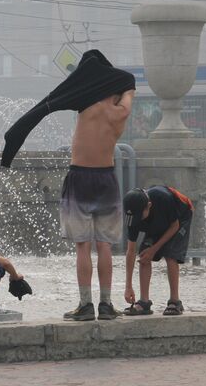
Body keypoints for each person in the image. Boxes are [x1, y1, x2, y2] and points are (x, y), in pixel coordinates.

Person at [62, 89, 135, 321]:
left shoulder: (87, 103)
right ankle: (105, 304)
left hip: (79, 176)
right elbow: (129, 92)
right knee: (105, 246)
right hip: (106, 177)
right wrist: (127, 90)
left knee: (82, 245)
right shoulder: (120, 112)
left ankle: (85, 305)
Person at [122, 186, 194, 316]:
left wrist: (154, 249)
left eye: (139, 216)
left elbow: (174, 226)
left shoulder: (163, 198)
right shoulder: (133, 217)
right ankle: (144, 302)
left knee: (170, 254)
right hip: (158, 222)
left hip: (180, 218)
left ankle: (175, 301)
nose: (137, 222)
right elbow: (130, 251)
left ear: (148, 206)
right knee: (144, 255)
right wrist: (128, 286)